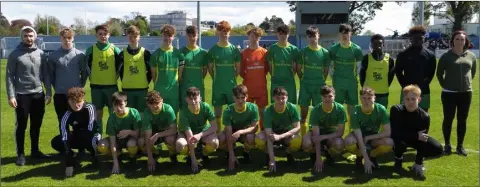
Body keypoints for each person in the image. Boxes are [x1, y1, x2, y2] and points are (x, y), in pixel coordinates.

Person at [6, 26, 52, 166]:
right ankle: (20, 154)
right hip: (22, 96)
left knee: (36, 125)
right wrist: (11, 95)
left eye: (31, 35)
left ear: (35, 37)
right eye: (26, 36)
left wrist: (48, 91)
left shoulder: (41, 53)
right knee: (21, 126)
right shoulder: (15, 54)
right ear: (22, 37)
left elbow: (46, 74)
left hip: (38, 94)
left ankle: (35, 151)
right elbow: (9, 76)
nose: (29, 38)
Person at [437, 30, 477, 156]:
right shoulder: (446, 56)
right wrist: (446, 85)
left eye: (462, 39)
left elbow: (473, 73)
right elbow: (439, 74)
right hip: (449, 93)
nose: (459, 41)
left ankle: (460, 146)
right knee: (448, 119)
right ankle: (447, 145)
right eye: (457, 39)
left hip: (466, 93)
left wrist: (466, 84)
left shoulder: (471, 56)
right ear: (453, 41)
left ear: (466, 41)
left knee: (462, 120)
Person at [390, 84, 444, 180]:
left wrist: (418, 162)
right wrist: (415, 136)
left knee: (438, 148)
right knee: (399, 143)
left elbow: (422, 138)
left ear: (419, 100)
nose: (410, 102)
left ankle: (417, 162)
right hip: (401, 138)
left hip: (416, 139)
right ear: (403, 100)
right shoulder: (396, 110)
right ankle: (398, 158)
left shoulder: (425, 116)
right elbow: (395, 133)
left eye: (413, 99)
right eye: (407, 99)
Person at [50, 87, 101, 177]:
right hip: (77, 134)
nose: (76, 105)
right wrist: (69, 162)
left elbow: (91, 129)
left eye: (79, 102)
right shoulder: (67, 113)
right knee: (56, 142)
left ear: (83, 100)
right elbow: (64, 135)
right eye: (73, 102)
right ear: (69, 102)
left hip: (92, 135)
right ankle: (73, 156)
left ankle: (95, 157)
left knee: (91, 139)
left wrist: (78, 137)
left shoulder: (90, 107)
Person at [344, 87, 393, 174]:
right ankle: (359, 156)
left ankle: (372, 156)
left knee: (389, 142)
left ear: (374, 98)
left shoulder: (381, 109)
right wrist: (366, 160)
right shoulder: (355, 111)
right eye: (364, 98)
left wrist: (369, 137)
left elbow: (387, 132)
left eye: (369, 98)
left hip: (373, 137)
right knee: (349, 141)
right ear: (360, 98)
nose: (366, 101)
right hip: (358, 137)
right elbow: (359, 138)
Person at [47, 28, 87, 134]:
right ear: (60, 38)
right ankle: (66, 148)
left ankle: (80, 148)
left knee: (79, 121)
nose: (67, 40)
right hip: (60, 94)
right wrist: (57, 87)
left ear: (73, 38)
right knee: (62, 122)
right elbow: (51, 75)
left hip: (76, 95)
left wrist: (80, 86)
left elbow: (84, 72)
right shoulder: (53, 56)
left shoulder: (80, 55)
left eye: (69, 38)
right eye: (64, 38)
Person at [255, 87, 302, 172]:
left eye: (283, 98)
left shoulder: (292, 108)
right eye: (278, 98)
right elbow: (269, 135)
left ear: (287, 97)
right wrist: (272, 160)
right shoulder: (268, 111)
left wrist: (280, 136)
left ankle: (288, 153)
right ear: (273, 98)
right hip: (273, 134)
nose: (281, 101)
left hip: (286, 134)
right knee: (259, 139)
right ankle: (268, 155)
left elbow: (297, 128)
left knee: (297, 140)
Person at [206, 20, 241, 133]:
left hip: (231, 85)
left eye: (226, 30)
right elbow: (210, 69)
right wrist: (217, 79)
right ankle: (217, 133)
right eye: (221, 30)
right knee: (217, 113)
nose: (224, 33)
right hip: (218, 85)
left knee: (232, 110)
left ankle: (231, 133)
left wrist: (230, 78)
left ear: (229, 32)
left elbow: (238, 70)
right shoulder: (213, 50)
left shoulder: (234, 50)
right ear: (217, 32)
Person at [302, 85, 346, 173]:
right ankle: (314, 154)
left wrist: (323, 137)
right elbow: (316, 135)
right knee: (306, 143)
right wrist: (318, 159)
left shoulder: (340, 109)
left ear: (334, 96)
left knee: (339, 144)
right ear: (321, 97)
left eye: (330, 96)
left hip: (331, 135)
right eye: (325, 96)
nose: (327, 99)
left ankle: (329, 154)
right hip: (316, 134)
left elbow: (340, 133)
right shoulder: (315, 110)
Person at [85, 24, 122, 129]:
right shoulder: (90, 50)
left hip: (111, 87)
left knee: (114, 113)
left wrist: (115, 77)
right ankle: (98, 137)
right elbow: (87, 67)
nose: (103, 36)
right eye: (100, 34)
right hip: (96, 87)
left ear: (109, 35)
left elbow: (120, 67)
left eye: (105, 34)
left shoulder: (115, 50)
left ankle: (114, 136)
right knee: (98, 113)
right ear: (96, 35)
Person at [297, 26, 331, 136]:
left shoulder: (325, 52)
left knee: (318, 113)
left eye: (314, 36)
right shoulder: (303, 52)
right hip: (306, 85)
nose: (312, 39)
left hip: (319, 86)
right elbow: (298, 69)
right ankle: (303, 136)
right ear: (307, 38)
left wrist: (320, 80)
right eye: (310, 36)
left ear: (318, 36)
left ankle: (318, 136)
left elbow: (325, 71)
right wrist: (304, 79)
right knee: (303, 114)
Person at [175, 87, 219, 173]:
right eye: (190, 99)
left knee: (215, 143)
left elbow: (214, 127)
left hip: (202, 131)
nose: (193, 101)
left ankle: (203, 154)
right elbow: (190, 136)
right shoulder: (183, 111)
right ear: (186, 99)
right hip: (186, 133)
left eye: (195, 98)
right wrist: (193, 159)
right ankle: (189, 155)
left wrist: (200, 135)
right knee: (180, 144)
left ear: (200, 98)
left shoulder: (205, 107)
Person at [97, 92, 141, 174]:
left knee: (132, 143)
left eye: (121, 105)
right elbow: (113, 143)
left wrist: (129, 132)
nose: (118, 108)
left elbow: (137, 134)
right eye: (115, 105)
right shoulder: (112, 118)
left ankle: (132, 157)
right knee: (101, 146)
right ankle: (118, 154)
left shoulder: (134, 113)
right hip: (117, 141)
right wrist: (115, 163)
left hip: (131, 139)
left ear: (126, 103)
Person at [395, 25, 436, 112]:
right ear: (411, 39)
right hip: (407, 91)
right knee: (406, 115)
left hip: (423, 91)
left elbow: (431, 73)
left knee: (423, 116)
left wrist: (424, 84)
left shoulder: (430, 55)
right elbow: (398, 71)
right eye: (415, 38)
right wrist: (404, 85)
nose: (418, 40)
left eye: (420, 38)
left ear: (424, 38)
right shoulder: (403, 54)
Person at [328, 23, 364, 121]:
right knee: (337, 107)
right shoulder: (334, 49)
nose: (345, 35)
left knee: (352, 108)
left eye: (347, 33)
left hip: (351, 83)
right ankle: (336, 131)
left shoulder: (356, 49)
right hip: (338, 83)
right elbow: (330, 66)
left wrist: (354, 77)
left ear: (351, 34)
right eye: (342, 33)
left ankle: (351, 130)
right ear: (339, 34)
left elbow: (359, 67)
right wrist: (334, 78)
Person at [218, 85, 259, 170]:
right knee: (220, 139)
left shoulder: (253, 107)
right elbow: (229, 132)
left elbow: (254, 128)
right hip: (232, 133)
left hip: (245, 133)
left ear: (247, 97)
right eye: (237, 98)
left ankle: (246, 151)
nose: (240, 100)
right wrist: (232, 155)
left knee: (251, 138)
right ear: (233, 97)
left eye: (243, 97)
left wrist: (240, 132)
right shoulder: (228, 110)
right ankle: (230, 151)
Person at [138, 90, 178, 172]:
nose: (155, 106)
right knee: (141, 142)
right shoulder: (147, 113)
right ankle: (155, 154)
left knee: (171, 139)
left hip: (166, 134)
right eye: (151, 104)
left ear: (162, 100)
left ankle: (173, 154)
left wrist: (158, 135)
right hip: (153, 135)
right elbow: (148, 136)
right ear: (148, 104)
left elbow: (174, 129)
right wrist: (150, 157)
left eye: (157, 103)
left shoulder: (168, 109)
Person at [117, 25, 151, 117]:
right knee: (129, 114)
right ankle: (130, 131)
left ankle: (141, 132)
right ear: (127, 36)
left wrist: (144, 81)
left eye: (135, 36)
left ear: (139, 37)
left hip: (142, 89)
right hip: (127, 89)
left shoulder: (145, 53)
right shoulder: (122, 54)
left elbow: (151, 71)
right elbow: (120, 72)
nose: (133, 39)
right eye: (130, 36)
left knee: (142, 114)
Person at [151, 24, 185, 114]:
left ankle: (174, 128)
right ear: (161, 36)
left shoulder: (178, 54)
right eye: (165, 35)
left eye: (170, 36)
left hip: (173, 90)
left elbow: (181, 69)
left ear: (173, 37)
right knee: (159, 114)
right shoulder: (156, 54)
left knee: (173, 115)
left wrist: (178, 78)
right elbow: (153, 75)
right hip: (159, 90)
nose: (167, 38)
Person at [240, 27, 268, 131]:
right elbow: (241, 72)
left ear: (259, 38)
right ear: (248, 37)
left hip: (261, 87)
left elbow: (267, 69)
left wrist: (258, 76)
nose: (253, 38)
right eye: (251, 35)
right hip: (248, 88)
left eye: (256, 36)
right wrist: (250, 78)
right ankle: (249, 133)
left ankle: (263, 132)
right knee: (249, 112)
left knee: (262, 112)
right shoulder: (243, 53)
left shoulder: (265, 53)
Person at [266, 25, 299, 105]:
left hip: (289, 81)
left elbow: (295, 67)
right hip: (276, 81)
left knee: (290, 104)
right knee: (276, 104)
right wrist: (273, 75)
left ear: (288, 34)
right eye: (280, 34)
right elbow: (270, 65)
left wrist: (291, 76)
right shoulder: (273, 48)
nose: (283, 36)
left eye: (285, 33)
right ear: (277, 34)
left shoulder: (293, 49)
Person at [360, 34, 395, 108]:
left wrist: (385, 85)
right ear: (372, 45)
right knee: (368, 114)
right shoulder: (366, 58)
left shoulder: (390, 60)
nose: (378, 46)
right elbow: (362, 75)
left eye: (380, 44)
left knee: (382, 116)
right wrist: (365, 89)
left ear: (383, 44)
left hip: (383, 93)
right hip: (368, 94)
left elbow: (391, 76)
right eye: (375, 44)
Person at [180, 25, 209, 109]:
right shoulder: (181, 52)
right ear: (186, 36)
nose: (192, 38)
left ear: (197, 36)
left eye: (194, 35)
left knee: (199, 107)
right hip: (185, 85)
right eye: (189, 35)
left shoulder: (203, 53)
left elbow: (204, 71)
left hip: (198, 84)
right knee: (184, 107)